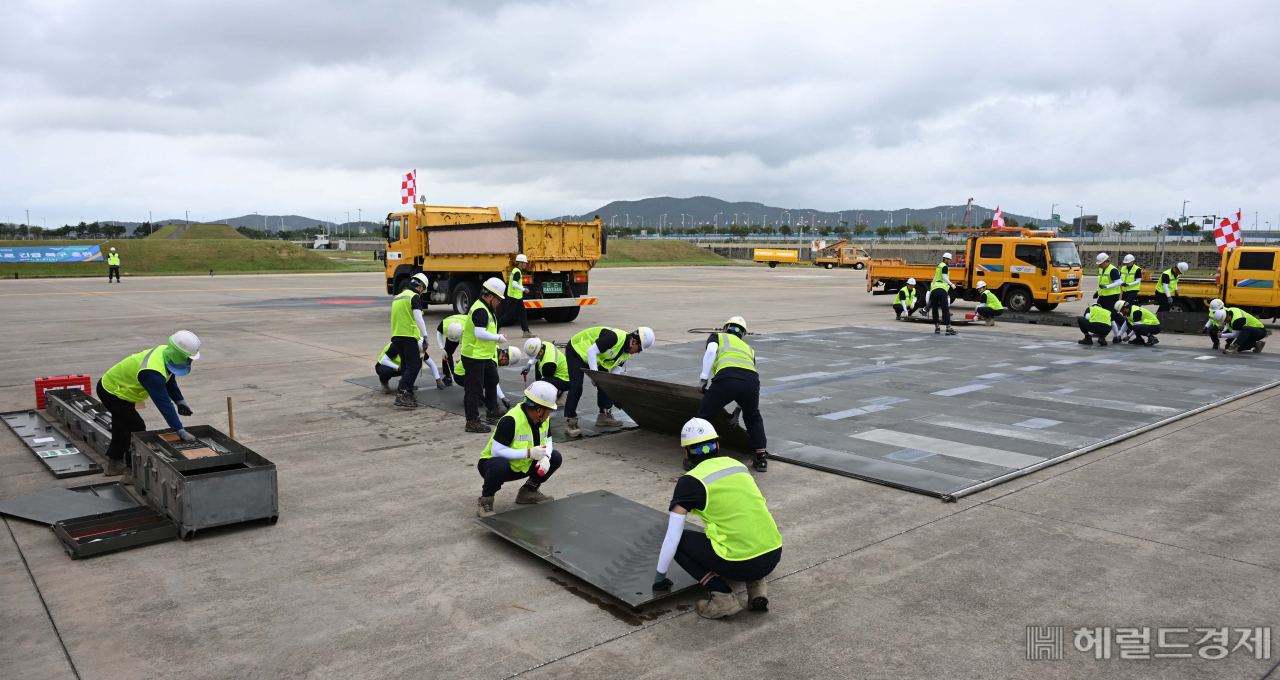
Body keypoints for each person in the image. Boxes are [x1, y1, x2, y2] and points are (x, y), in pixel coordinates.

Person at [652, 418, 783, 620]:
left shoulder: (691, 481)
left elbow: (672, 536)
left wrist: (660, 577)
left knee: (680, 542)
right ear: (717, 445)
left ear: (687, 452)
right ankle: (757, 587)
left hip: (740, 563)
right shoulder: (737, 465)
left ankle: (722, 597)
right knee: (747, 528)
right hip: (773, 553)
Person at [97, 331, 202, 477]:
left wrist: (180, 401)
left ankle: (113, 465)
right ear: (179, 354)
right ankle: (131, 470)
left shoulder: (165, 353)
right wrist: (180, 430)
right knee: (136, 426)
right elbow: (164, 404)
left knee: (122, 425)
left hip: (123, 391)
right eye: (189, 359)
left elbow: (169, 379)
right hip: (112, 391)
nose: (190, 362)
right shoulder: (151, 372)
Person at [475, 381, 562, 517]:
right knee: (500, 464)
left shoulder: (543, 419)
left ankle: (528, 491)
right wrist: (529, 453)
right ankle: (486, 500)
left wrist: (546, 457)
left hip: (523, 465)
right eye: (549, 410)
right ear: (539, 410)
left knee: (555, 457)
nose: (550, 414)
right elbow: (496, 451)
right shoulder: (511, 420)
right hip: (494, 467)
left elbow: (549, 439)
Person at [694, 316, 767, 472]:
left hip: (726, 378)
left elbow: (711, 351)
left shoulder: (717, 337)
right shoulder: (749, 349)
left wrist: (703, 378)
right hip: (752, 381)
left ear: (725, 328)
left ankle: (702, 455)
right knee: (753, 416)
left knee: (704, 416)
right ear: (743, 334)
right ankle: (761, 458)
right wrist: (737, 411)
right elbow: (744, 377)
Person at [564, 326, 655, 437]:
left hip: (596, 357)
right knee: (577, 385)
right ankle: (570, 421)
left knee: (606, 382)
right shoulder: (614, 337)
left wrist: (614, 392)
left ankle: (604, 415)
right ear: (634, 341)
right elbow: (591, 351)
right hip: (577, 350)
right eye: (640, 349)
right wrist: (595, 376)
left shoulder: (627, 351)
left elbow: (614, 376)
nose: (639, 352)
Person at [462, 277, 512, 432]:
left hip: (484, 355)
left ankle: (492, 410)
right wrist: (498, 338)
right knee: (474, 390)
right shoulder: (481, 310)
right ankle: (472, 421)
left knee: (492, 379)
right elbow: (479, 333)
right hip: (474, 356)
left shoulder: (486, 308)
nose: (499, 302)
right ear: (490, 296)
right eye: (498, 299)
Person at [389, 273, 431, 408]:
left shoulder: (398, 297)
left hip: (396, 336)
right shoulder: (414, 297)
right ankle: (403, 393)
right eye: (422, 289)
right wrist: (425, 336)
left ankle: (407, 390)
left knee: (407, 365)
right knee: (414, 365)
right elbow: (419, 318)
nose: (422, 292)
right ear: (420, 286)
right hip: (408, 336)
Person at [521, 337, 570, 406]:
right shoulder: (544, 344)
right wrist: (528, 365)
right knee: (538, 364)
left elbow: (543, 382)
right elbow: (536, 356)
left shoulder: (549, 362)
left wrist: (535, 391)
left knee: (544, 383)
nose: (534, 358)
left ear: (541, 351)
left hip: (565, 380)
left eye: (535, 356)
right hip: (556, 372)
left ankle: (560, 393)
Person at [375, 342, 441, 393]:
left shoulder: (420, 348)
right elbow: (384, 361)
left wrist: (438, 379)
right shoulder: (396, 346)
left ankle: (405, 382)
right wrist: (398, 367)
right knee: (386, 371)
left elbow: (431, 364)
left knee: (418, 363)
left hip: (403, 368)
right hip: (385, 366)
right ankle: (384, 383)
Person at [497, 254, 533, 337]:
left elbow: (516, 284)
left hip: (517, 297)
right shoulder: (517, 271)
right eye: (524, 263)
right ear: (520, 263)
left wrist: (522, 287)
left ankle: (526, 331)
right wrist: (523, 289)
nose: (525, 264)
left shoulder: (517, 271)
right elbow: (514, 284)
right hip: (513, 297)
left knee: (523, 314)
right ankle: (495, 328)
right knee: (508, 315)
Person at [929, 252, 957, 335]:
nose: (950, 262)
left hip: (934, 289)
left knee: (935, 309)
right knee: (945, 309)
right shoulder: (945, 267)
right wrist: (951, 284)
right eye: (950, 260)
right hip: (942, 290)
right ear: (946, 259)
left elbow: (934, 278)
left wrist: (931, 288)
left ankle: (937, 327)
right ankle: (948, 327)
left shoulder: (939, 266)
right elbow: (945, 277)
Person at [435, 314, 466, 387]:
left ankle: (469, 375)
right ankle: (448, 376)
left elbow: (472, 345)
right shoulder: (444, 324)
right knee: (447, 353)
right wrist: (442, 349)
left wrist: (463, 355)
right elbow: (439, 334)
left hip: (466, 334)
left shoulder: (470, 328)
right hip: (453, 332)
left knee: (469, 357)